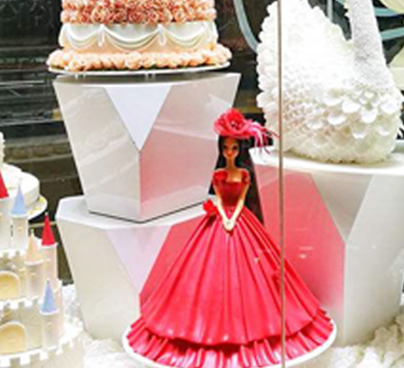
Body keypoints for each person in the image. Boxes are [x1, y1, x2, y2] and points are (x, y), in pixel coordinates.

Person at [125, 109, 335, 368]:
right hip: (220, 216)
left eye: (234, 148)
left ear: (239, 149)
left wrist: (232, 218)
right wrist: (224, 216)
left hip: (238, 217)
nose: (230, 152)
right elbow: (219, 198)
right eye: (226, 148)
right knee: (205, 270)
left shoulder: (244, 175)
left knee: (253, 272)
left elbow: (241, 200)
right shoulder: (218, 175)